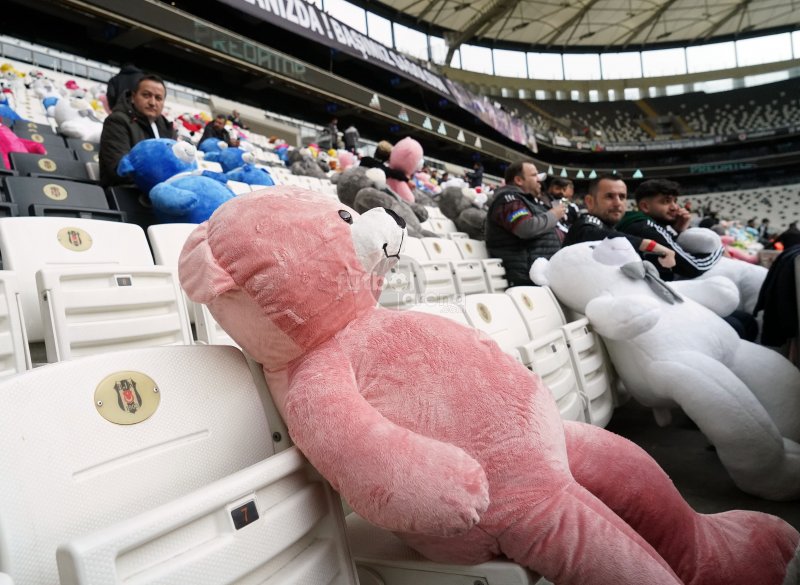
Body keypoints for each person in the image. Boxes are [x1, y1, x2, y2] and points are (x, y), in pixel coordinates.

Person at [616, 178, 723, 280]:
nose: (675, 207)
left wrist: (677, 230)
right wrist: (719, 248)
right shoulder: (645, 226)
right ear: (645, 207)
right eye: (666, 201)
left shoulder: (636, 223)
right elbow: (694, 267)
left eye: (675, 201)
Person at [563, 173, 676, 270]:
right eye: (609, 197)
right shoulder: (585, 223)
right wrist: (650, 245)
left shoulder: (610, 226)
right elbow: (591, 232)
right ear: (590, 202)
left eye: (622, 197)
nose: (617, 203)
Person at [485, 160, 565, 287]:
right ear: (518, 180)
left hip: (540, 273)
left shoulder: (526, 200)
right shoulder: (508, 199)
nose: (539, 179)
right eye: (534, 175)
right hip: (526, 276)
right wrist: (553, 215)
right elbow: (525, 227)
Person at [99, 74, 172, 187]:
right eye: (146, 95)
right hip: (125, 194)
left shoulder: (166, 127)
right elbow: (119, 169)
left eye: (158, 98)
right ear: (133, 97)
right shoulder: (117, 121)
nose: (152, 102)